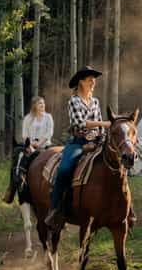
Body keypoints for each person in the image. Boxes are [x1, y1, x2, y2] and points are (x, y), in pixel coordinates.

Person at [45, 66, 110, 229]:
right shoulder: (73, 101)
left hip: (97, 141)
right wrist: (103, 124)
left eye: (94, 80)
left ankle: (125, 209)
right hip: (78, 142)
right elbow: (80, 123)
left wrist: (101, 134)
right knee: (65, 169)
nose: (93, 82)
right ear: (81, 82)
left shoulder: (95, 101)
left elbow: (100, 123)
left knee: (116, 162)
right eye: (90, 80)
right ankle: (55, 209)